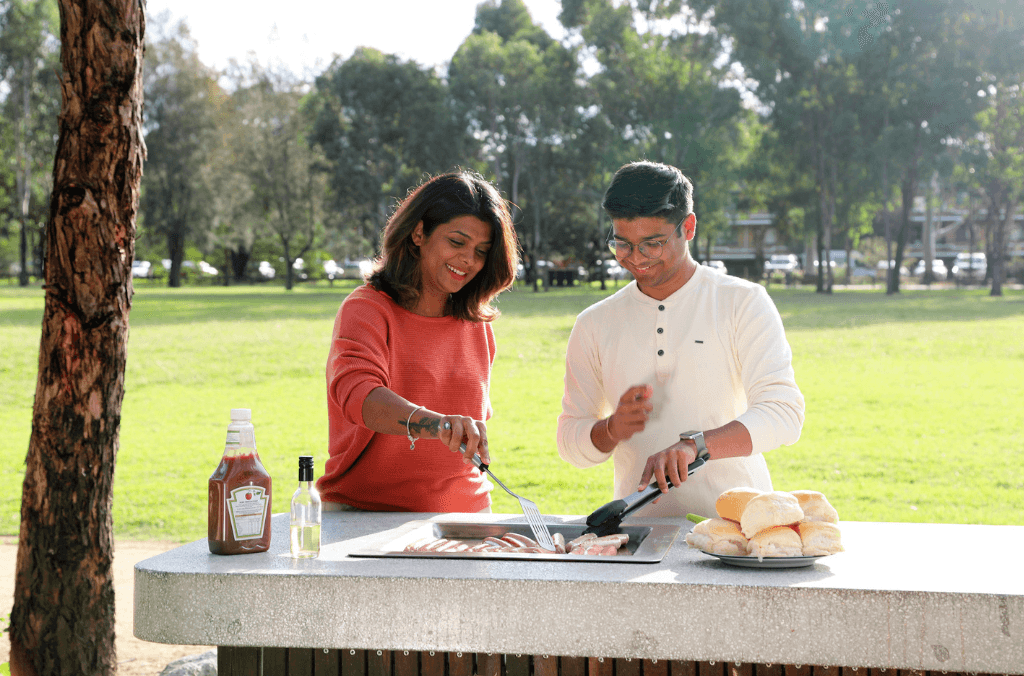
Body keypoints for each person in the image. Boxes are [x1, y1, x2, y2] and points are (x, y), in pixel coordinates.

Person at [556, 161, 805, 520]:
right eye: (622, 244)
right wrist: (611, 429)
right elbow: (570, 441)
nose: (636, 258)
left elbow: (783, 412)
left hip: (737, 528)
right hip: (638, 535)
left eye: (652, 244)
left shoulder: (742, 302)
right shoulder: (594, 323)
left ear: (687, 228)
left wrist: (696, 447)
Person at [318, 170, 520, 512]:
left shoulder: (476, 324)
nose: (468, 260)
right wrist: (438, 424)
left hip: (467, 514)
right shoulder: (366, 309)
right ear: (419, 233)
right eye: (457, 242)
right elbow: (359, 399)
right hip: (366, 515)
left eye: (481, 251)